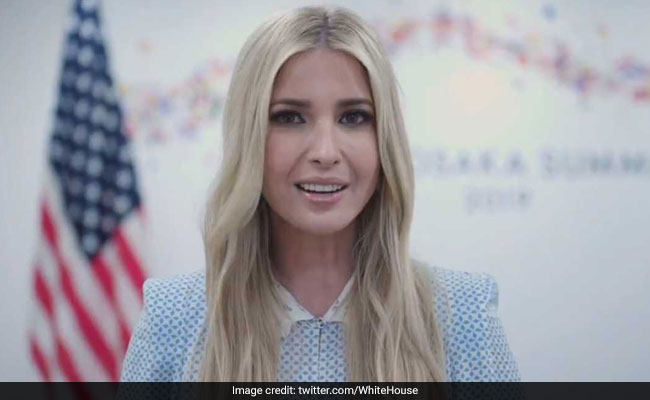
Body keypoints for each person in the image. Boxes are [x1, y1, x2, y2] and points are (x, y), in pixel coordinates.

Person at [119, 5, 520, 382]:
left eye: (354, 117)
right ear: (250, 136)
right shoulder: (172, 319)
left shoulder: (464, 315)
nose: (325, 153)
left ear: (385, 140)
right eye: (290, 117)